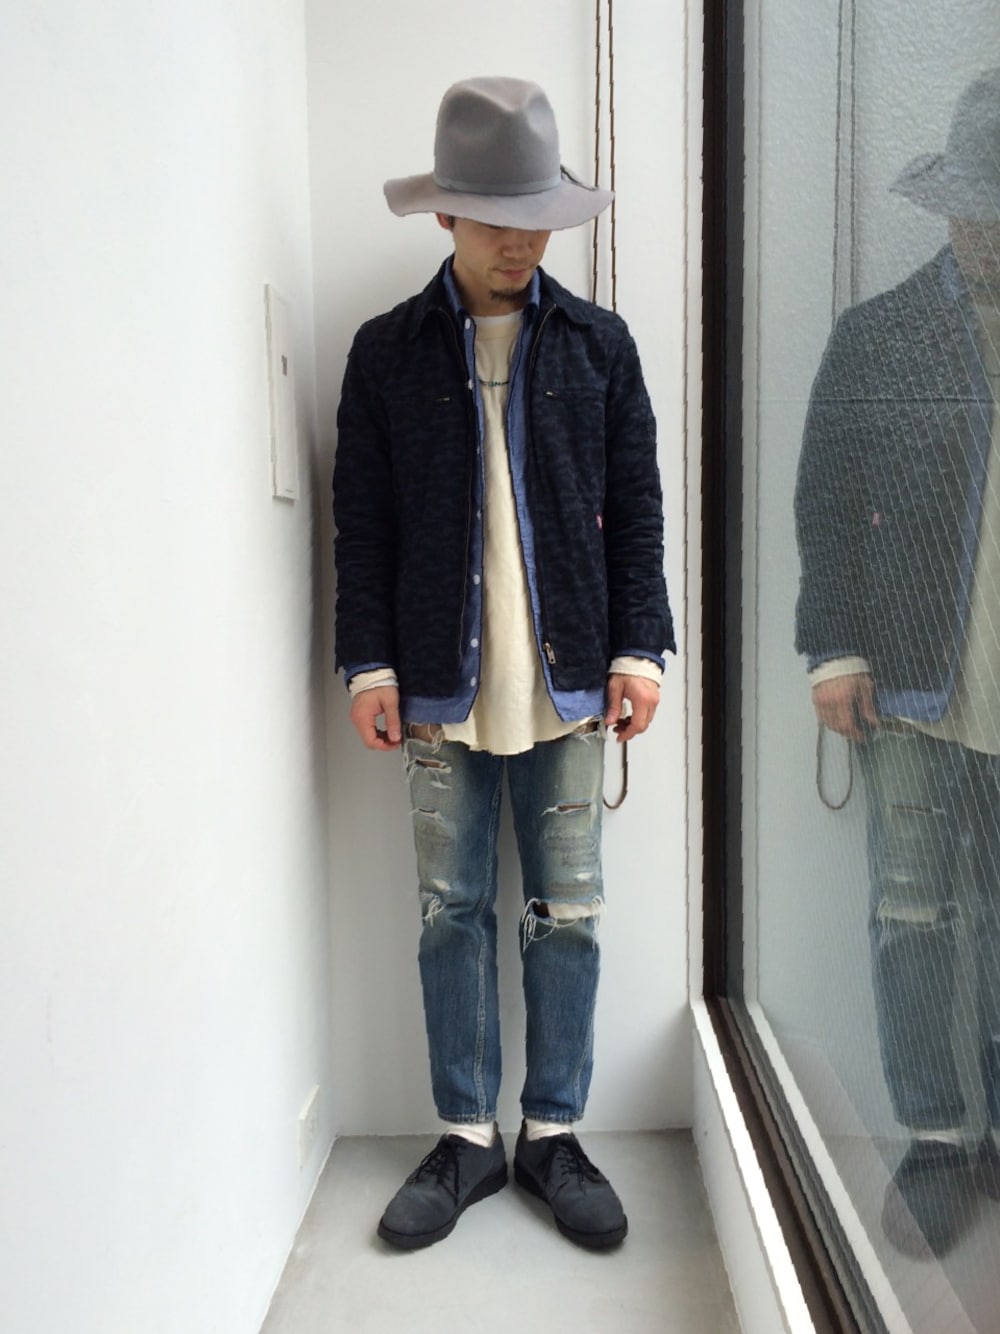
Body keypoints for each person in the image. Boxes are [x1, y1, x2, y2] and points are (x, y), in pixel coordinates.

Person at [333, 76, 673, 1251]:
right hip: (438, 683)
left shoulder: (599, 347)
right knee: (451, 911)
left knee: (567, 913)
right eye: (494, 218)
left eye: (536, 218)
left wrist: (640, 648)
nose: (520, 242)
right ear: (445, 214)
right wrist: (369, 665)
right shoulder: (384, 354)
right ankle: (466, 1134)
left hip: (570, 687)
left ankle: (554, 1131)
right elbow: (362, 524)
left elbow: (637, 510)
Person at [795, 68, 1000, 1258]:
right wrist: (834, 644)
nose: (983, 230)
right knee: (912, 909)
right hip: (914, 682)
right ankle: (934, 1136)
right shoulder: (880, 334)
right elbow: (828, 500)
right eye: (971, 206)